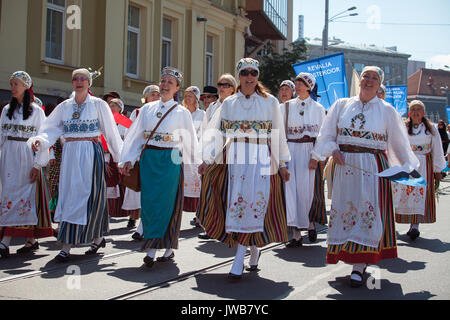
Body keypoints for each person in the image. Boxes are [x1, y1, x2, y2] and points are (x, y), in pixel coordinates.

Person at [312, 66, 419, 287]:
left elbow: (399, 143)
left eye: (374, 78)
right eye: (365, 77)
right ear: (359, 80)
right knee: (346, 211)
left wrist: (408, 169)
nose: (369, 81)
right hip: (345, 165)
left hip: (372, 168)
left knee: (367, 212)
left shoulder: (387, 110)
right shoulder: (341, 105)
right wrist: (332, 149)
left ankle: (359, 265)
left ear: (379, 84)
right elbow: (327, 133)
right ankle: (352, 258)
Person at [197, 58, 291, 280]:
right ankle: (250, 249)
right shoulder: (229, 104)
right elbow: (218, 133)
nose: (250, 77)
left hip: (261, 159)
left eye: (254, 73)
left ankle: (242, 255)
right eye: (245, 73)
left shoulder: (270, 103)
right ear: (239, 76)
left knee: (256, 204)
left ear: (258, 76)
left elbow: (277, 133)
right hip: (237, 158)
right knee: (238, 203)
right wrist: (208, 159)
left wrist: (283, 164)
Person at [30, 68, 123, 262]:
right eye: (75, 79)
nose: (79, 82)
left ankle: (93, 238)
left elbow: (111, 132)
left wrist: (121, 158)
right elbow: (51, 127)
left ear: (89, 83)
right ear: (72, 83)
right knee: (69, 195)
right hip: (71, 154)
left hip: (91, 152)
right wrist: (41, 140)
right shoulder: (65, 106)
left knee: (92, 197)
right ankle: (69, 244)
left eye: (83, 78)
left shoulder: (98, 105)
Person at [120, 67, 199, 268]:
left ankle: (156, 247)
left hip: (170, 157)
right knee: (149, 201)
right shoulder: (147, 109)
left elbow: (189, 140)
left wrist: (197, 167)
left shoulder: (182, 112)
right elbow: (135, 135)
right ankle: (164, 245)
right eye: (162, 81)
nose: (164, 85)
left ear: (177, 88)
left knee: (166, 203)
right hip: (149, 158)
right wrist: (127, 158)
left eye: (169, 83)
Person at [0, 71, 52, 259]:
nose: (12, 87)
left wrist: (38, 164)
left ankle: (5, 241)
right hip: (8, 156)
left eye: (16, 84)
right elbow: (1, 135)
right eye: (11, 83)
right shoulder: (6, 110)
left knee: (22, 195)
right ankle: (30, 240)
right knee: (6, 194)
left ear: (26, 86)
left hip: (25, 154)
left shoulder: (37, 111)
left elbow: (44, 138)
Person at [281, 72, 327, 248]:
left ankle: (309, 222)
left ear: (309, 87)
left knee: (306, 191)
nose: (298, 86)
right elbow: (280, 133)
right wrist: (281, 159)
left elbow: (323, 136)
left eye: (302, 84)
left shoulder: (318, 109)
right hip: (290, 150)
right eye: (297, 83)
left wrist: (316, 157)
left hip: (308, 151)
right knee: (290, 191)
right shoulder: (285, 107)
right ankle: (296, 234)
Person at [393, 101, 446, 240]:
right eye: (413, 109)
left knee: (420, 194)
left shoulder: (431, 129)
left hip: (424, 165)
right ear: (409, 113)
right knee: (405, 194)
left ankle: (415, 225)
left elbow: (438, 149)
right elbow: (396, 145)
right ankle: (400, 224)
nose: (416, 112)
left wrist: (437, 169)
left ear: (423, 113)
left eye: (419, 109)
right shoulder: (403, 127)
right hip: (407, 165)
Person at [196, 73, 238, 238]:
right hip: (213, 153)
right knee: (211, 188)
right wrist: (203, 156)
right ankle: (211, 225)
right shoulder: (212, 107)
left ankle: (231, 226)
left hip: (232, 152)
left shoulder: (236, 105)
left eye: (226, 85)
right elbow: (206, 132)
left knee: (229, 189)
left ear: (233, 88)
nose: (222, 87)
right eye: (220, 84)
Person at [126, 85, 161, 241]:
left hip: (158, 157)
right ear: (145, 97)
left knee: (153, 194)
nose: (156, 97)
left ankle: (143, 227)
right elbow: (131, 135)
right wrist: (129, 158)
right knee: (145, 193)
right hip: (142, 157)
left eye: (158, 95)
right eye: (152, 94)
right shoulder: (138, 112)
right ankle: (143, 225)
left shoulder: (163, 112)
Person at [182, 86, 205, 214]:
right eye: (185, 96)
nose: (187, 98)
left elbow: (204, 132)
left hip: (196, 152)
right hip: (182, 152)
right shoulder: (181, 112)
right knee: (180, 182)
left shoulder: (202, 114)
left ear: (196, 98)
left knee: (197, 182)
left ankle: (199, 214)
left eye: (190, 96)